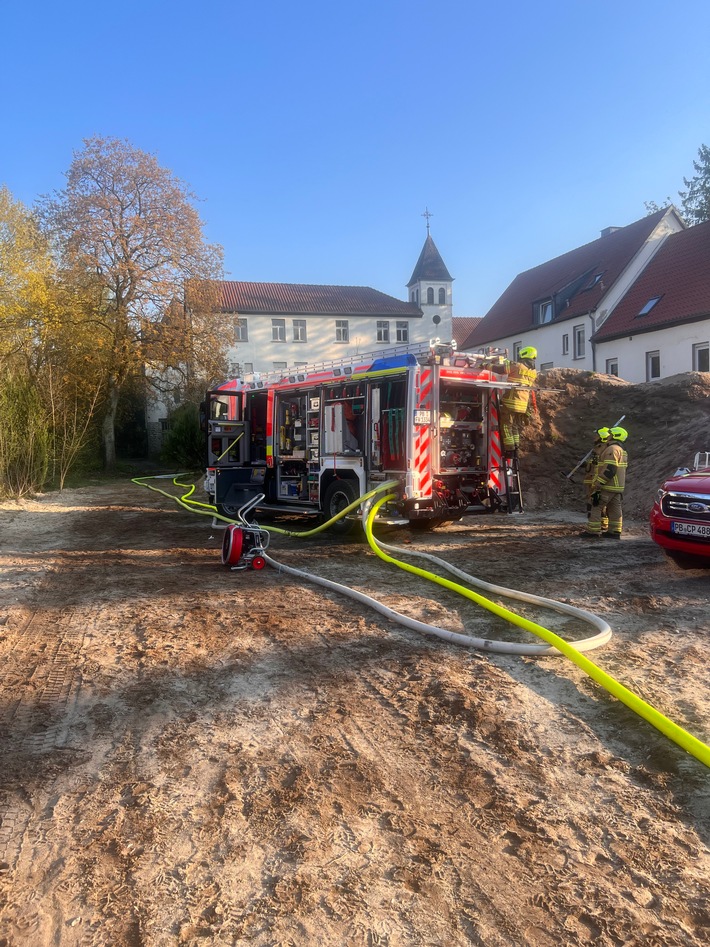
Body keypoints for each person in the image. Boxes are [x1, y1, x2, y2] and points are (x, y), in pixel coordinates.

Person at [582, 426, 628, 539]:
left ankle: (593, 531)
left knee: (596, 505)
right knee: (614, 508)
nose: (608, 436)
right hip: (617, 487)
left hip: (607, 485)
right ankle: (615, 531)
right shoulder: (621, 450)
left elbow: (610, 469)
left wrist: (599, 482)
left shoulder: (611, 450)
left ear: (614, 436)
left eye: (610, 434)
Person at [497, 346, 538, 456]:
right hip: (523, 405)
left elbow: (498, 369)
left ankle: (509, 450)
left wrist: (484, 365)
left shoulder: (516, 366)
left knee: (506, 426)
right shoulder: (533, 372)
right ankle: (516, 448)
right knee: (514, 426)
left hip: (511, 402)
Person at [583, 427, 610, 533]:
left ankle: (602, 524)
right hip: (592, 478)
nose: (594, 437)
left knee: (598, 503)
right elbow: (593, 464)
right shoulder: (598, 448)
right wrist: (586, 465)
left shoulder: (605, 449)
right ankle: (595, 523)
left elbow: (601, 466)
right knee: (592, 502)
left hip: (598, 479)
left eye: (597, 435)